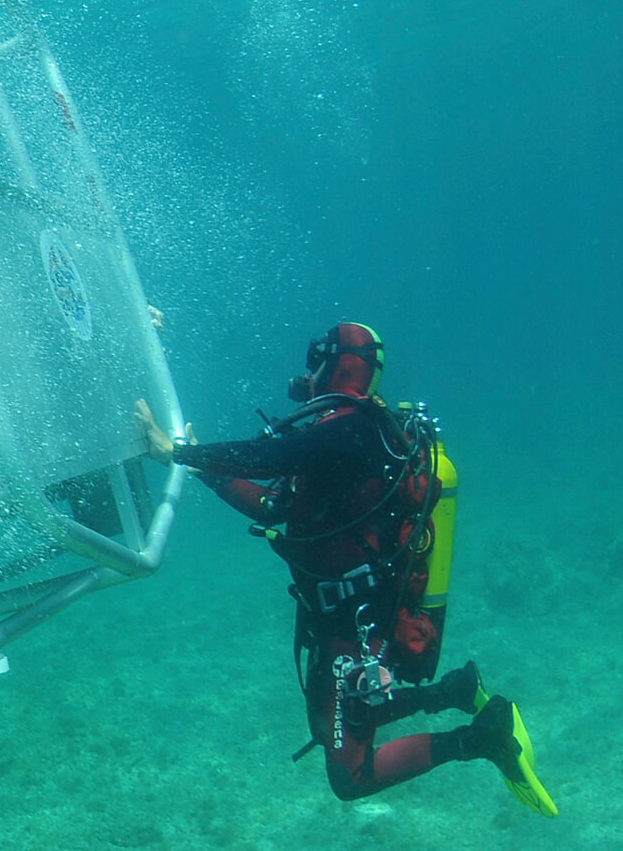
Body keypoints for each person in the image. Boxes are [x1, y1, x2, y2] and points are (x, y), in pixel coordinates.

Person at [135, 323, 557, 815]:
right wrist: (202, 467)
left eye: (317, 361)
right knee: (327, 726)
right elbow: (276, 505)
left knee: (350, 776)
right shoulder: (342, 428)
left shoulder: (350, 431)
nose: (306, 374)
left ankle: (485, 738)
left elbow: (266, 457)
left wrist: (178, 452)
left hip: (352, 623)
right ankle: (454, 691)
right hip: (331, 614)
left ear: (335, 362)